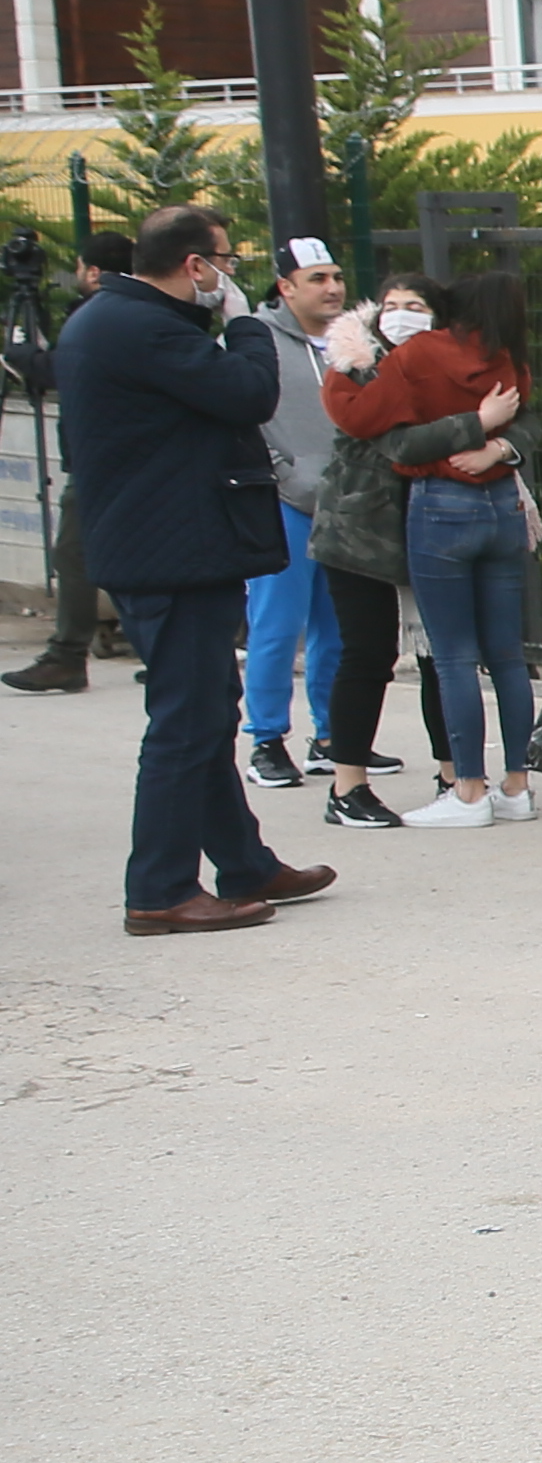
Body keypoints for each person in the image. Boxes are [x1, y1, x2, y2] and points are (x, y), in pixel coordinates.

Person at [52, 203, 339, 934]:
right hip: (170, 551)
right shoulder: (140, 326)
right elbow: (246, 392)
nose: (227, 277)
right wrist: (244, 322)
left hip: (160, 545)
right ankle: (159, 889)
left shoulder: (108, 318)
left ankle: (243, 862)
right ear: (194, 266)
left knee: (205, 711)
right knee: (185, 721)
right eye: (225, 264)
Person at [326, 267, 542, 829]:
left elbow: (382, 433)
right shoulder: (507, 357)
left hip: (440, 508)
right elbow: (529, 420)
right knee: (505, 655)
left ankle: (469, 788)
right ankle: (517, 784)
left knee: (450, 657)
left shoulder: (417, 356)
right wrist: (495, 444)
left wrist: (465, 434)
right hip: (502, 508)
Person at [297, 291, 496, 835]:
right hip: (358, 532)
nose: (402, 312)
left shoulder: (459, 362)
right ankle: (348, 785)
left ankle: (456, 777)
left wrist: (501, 444)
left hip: (433, 527)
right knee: (367, 653)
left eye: (415, 302)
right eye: (392, 302)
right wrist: (477, 423)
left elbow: (519, 418)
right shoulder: (356, 367)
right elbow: (396, 441)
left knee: (442, 656)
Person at [236, 239, 353, 787]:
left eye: (335, 276)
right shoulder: (255, 339)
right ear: (285, 287)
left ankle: (332, 738)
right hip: (285, 503)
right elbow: (245, 417)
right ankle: (266, 739)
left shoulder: (355, 340)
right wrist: (283, 474)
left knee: (337, 629)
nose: (332, 287)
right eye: (316, 278)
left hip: (345, 505)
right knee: (276, 626)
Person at [8, 228, 141, 693]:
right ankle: (153, 645)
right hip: (123, 455)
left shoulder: (96, 316)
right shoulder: (138, 312)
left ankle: (67, 653)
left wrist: (28, 358)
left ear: (92, 271)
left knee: (76, 553)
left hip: (99, 457)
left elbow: (70, 370)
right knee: (118, 555)